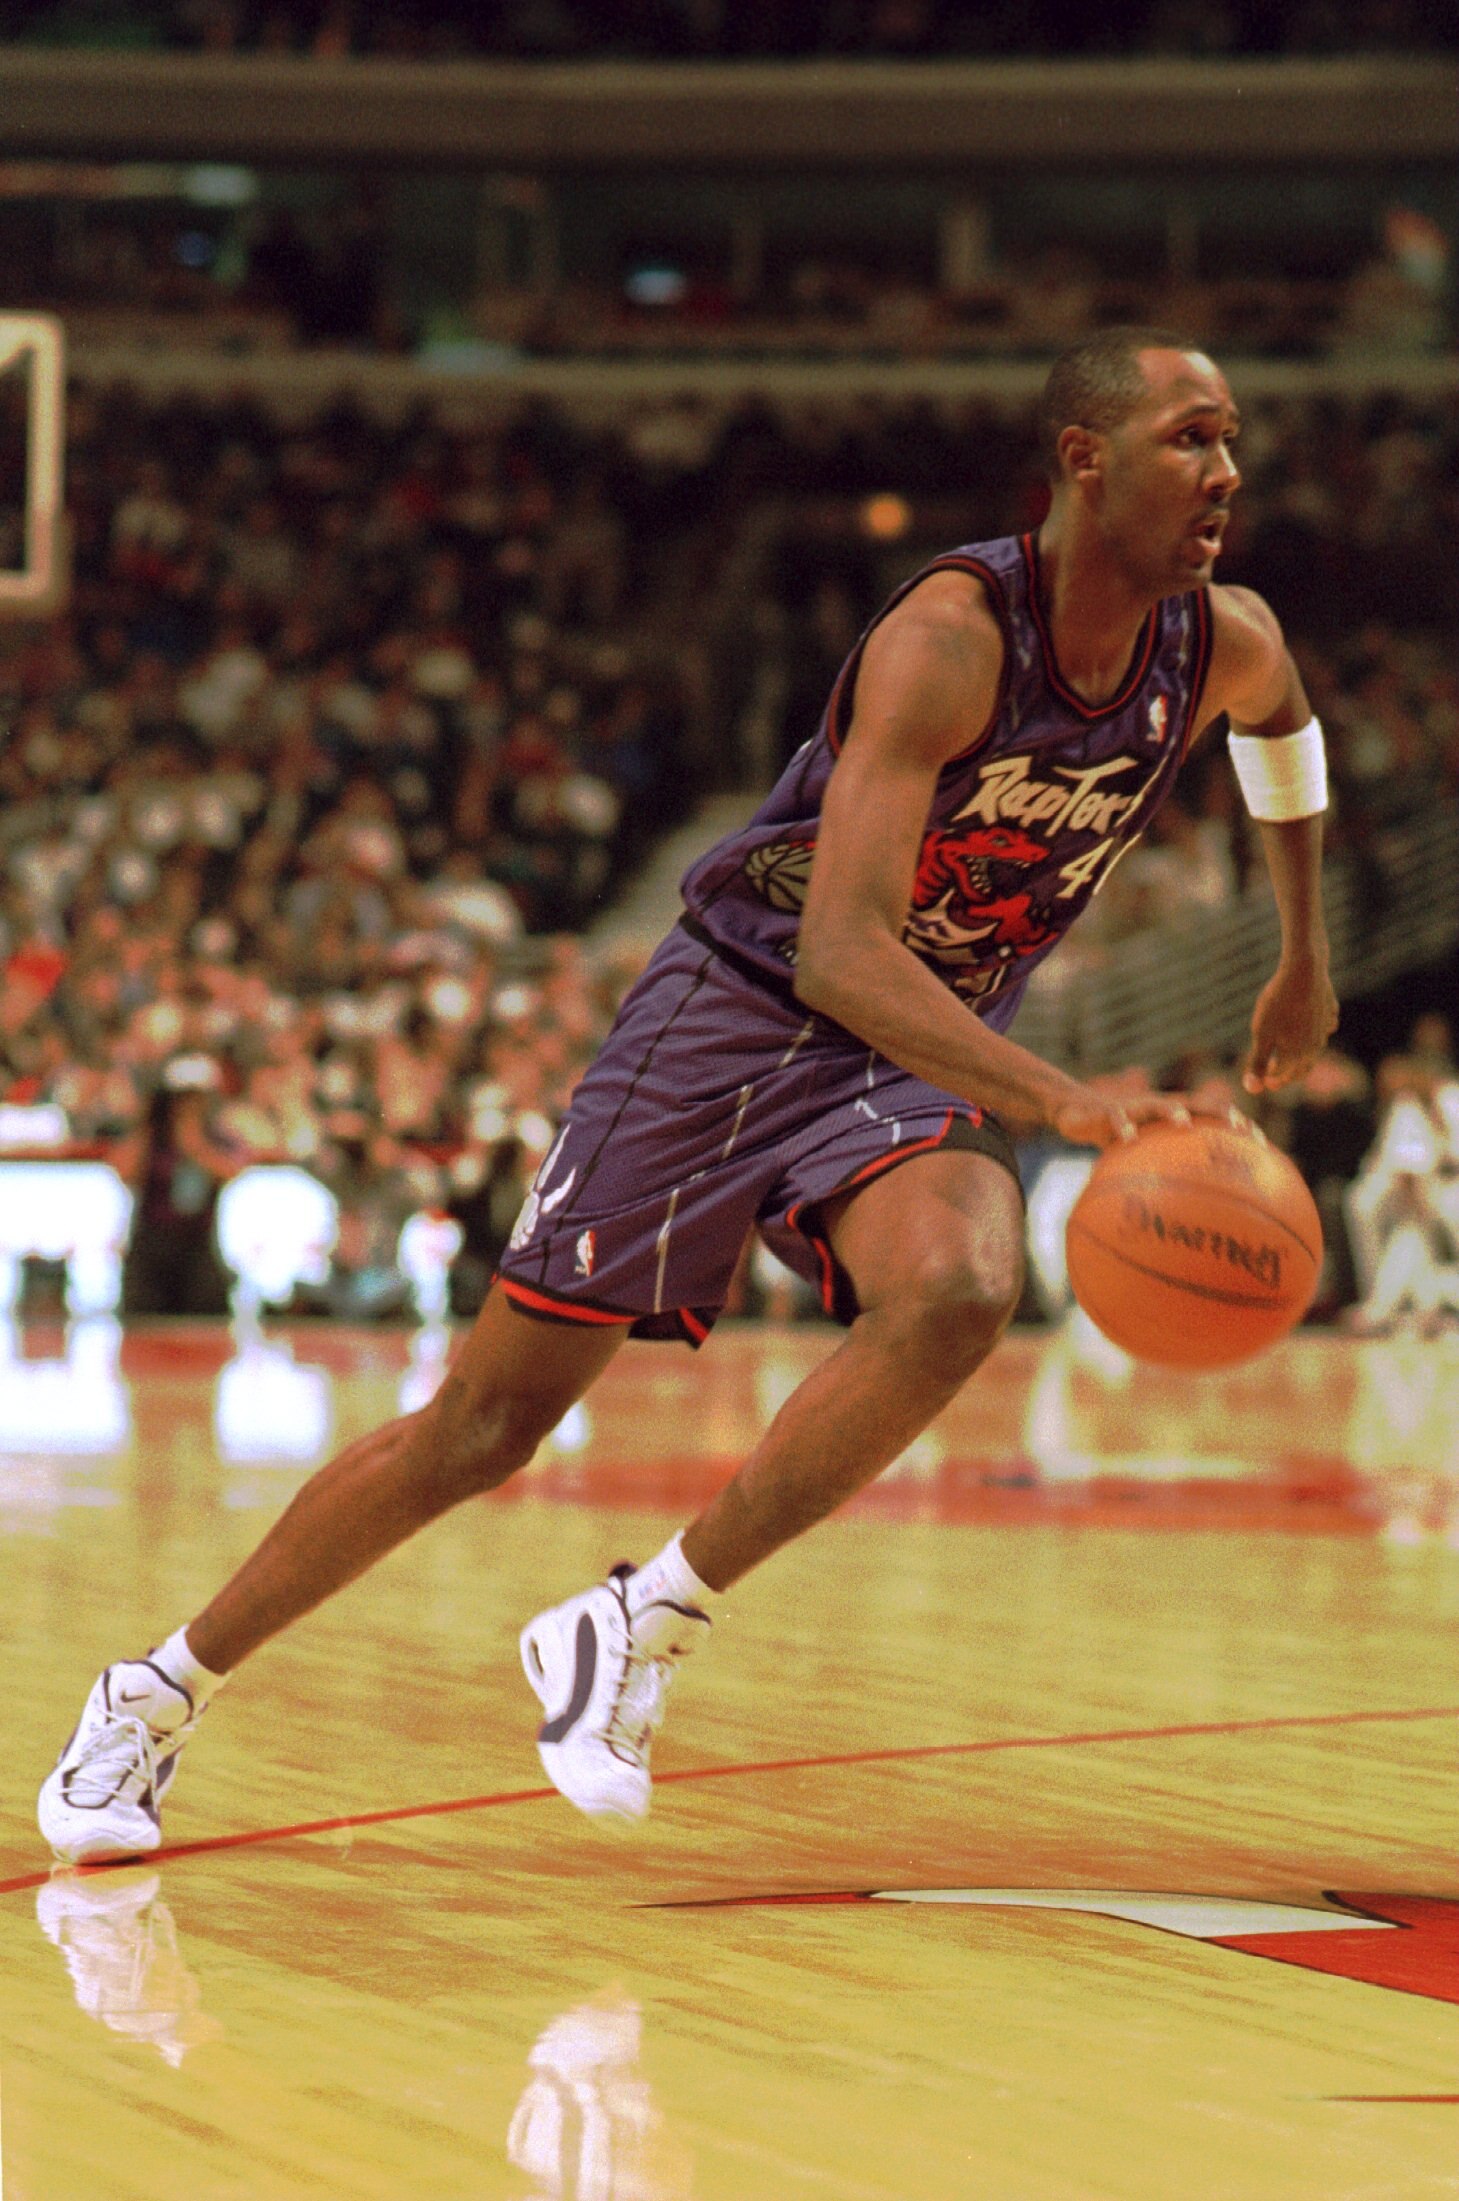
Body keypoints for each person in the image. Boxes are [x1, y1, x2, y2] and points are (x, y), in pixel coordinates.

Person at [39, 329, 1339, 1862]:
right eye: (1192, 437)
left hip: (905, 1044)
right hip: (738, 1011)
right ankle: (154, 1693)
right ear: (1084, 458)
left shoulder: (1219, 641)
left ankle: (645, 1616)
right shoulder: (951, 635)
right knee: (484, 1426)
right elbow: (847, 949)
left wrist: (1302, 956)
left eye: (1233, 438)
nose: (1227, 471)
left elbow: (1288, 730)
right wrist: (1058, 1097)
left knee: (963, 1283)